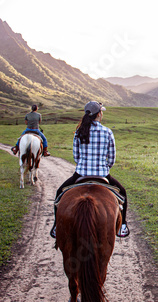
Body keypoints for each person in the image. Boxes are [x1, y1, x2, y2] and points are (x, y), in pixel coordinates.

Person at [50, 101, 129, 238]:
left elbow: (76, 157)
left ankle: (56, 226)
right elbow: (111, 159)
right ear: (99, 114)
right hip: (102, 175)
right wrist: (104, 168)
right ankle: (122, 226)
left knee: (59, 194)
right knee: (122, 193)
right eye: (101, 111)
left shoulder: (79, 131)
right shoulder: (107, 132)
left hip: (81, 173)